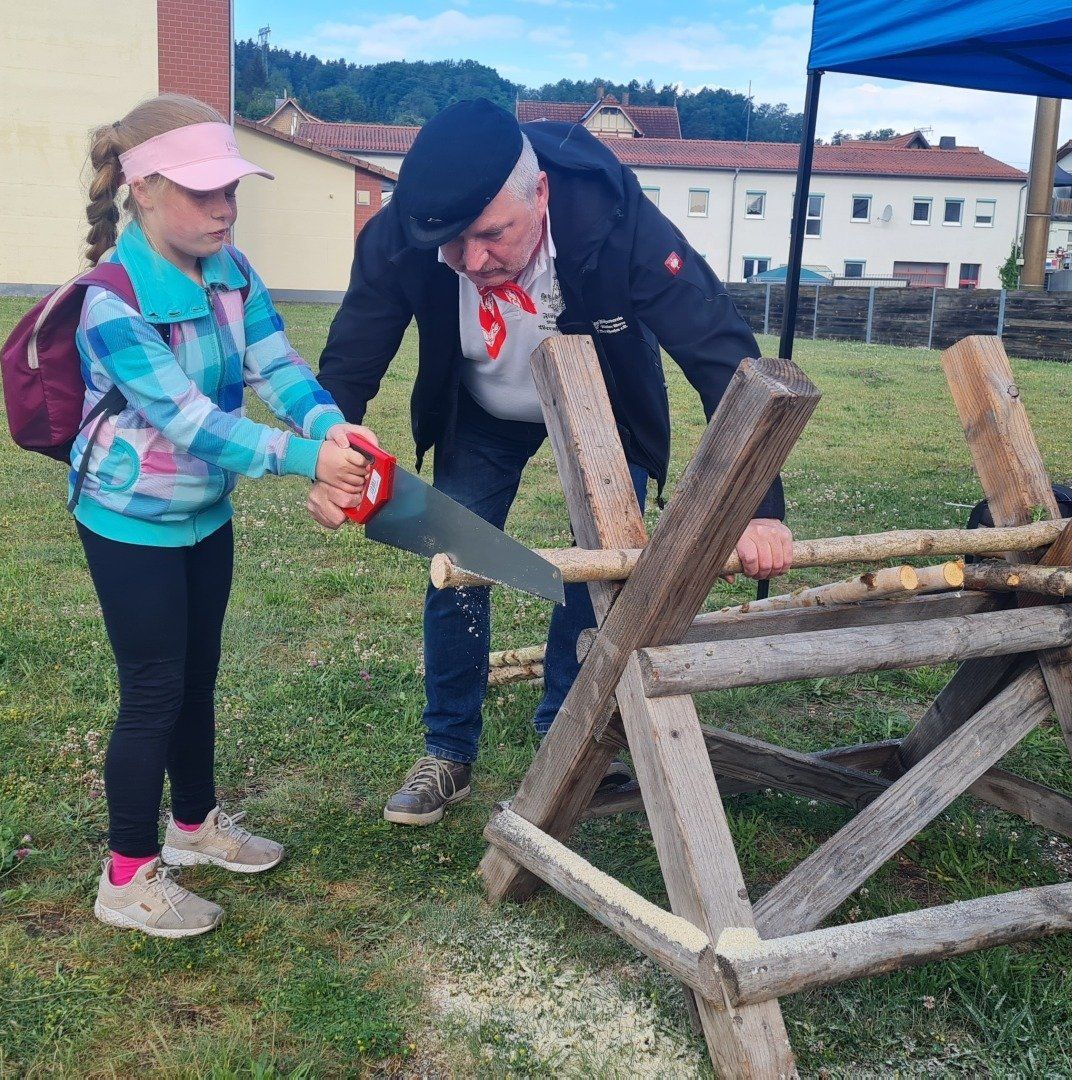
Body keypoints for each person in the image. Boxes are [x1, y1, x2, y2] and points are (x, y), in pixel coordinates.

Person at [308, 99, 796, 826]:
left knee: (601, 567)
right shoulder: (403, 232)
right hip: (482, 406)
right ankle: (447, 749)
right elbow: (354, 348)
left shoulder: (614, 215)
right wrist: (326, 448)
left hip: (603, 400)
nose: (474, 262)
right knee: (455, 558)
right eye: (453, 246)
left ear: (540, 193)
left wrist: (758, 504)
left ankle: (566, 737)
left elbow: (718, 349)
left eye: (492, 235)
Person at [70, 94, 380, 935]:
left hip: (204, 511)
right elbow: (189, 421)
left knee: (197, 676)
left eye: (230, 190)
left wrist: (328, 424)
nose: (224, 208)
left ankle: (194, 825)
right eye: (202, 191)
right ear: (142, 189)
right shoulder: (111, 302)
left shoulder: (232, 271)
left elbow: (276, 366)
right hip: (131, 520)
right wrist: (302, 459)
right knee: (153, 690)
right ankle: (127, 877)